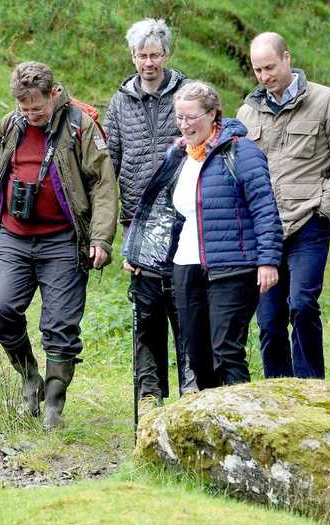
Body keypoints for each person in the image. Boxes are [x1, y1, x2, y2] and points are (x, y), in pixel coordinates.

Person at [0, 61, 118, 429]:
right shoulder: (10, 126)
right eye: (24, 109)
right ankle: (29, 374)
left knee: (60, 325)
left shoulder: (79, 125)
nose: (31, 116)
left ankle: (54, 406)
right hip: (13, 236)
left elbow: (103, 184)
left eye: (37, 109)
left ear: (53, 94)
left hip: (63, 238)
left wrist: (102, 238)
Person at [125, 81, 282, 390]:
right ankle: (211, 426)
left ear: (212, 114)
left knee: (226, 351)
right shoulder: (179, 155)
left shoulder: (241, 152)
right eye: (179, 117)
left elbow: (265, 208)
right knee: (196, 356)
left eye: (191, 117)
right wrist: (137, 254)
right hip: (186, 267)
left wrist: (268, 261)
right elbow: (160, 212)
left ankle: (241, 426)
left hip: (233, 266)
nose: (184, 125)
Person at [237, 32, 330, 379]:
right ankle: (279, 394)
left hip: (308, 223)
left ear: (287, 58)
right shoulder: (247, 113)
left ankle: (310, 389)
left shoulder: (326, 101)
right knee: (269, 320)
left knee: (302, 306)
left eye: (270, 67)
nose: (264, 76)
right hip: (265, 230)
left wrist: (324, 207)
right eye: (257, 70)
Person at [103, 17, 197, 412]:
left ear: (166, 54)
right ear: (132, 56)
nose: (148, 63)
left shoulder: (188, 93)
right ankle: (149, 393)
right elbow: (109, 159)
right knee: (146, 310)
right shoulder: (120, 100)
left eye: (155, 55)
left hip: (186, 221)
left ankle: (193, 387)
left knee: (187, 303)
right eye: (142, 56)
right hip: (139, 224)